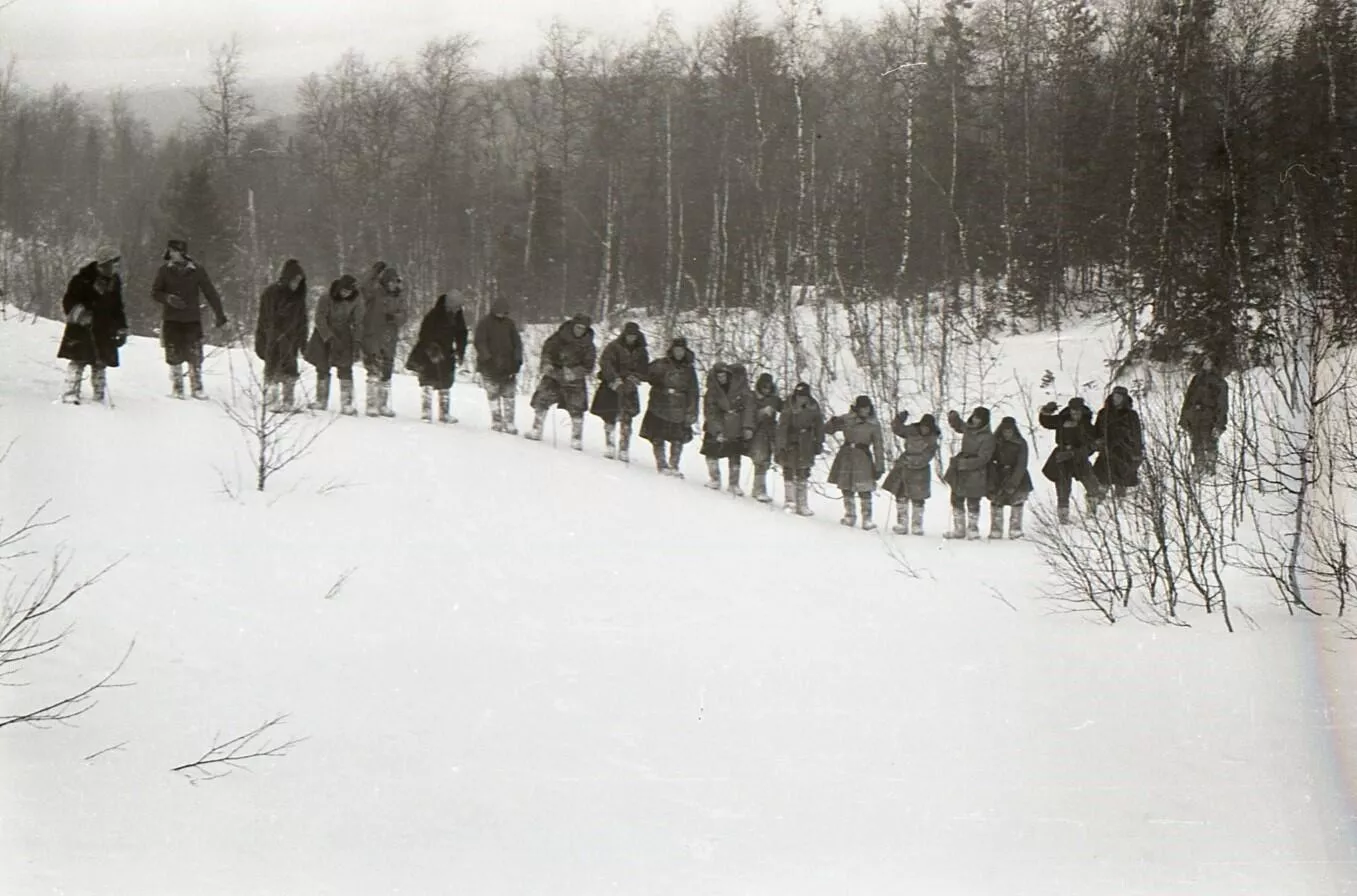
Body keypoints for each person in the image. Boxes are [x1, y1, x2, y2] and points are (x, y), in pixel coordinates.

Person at [150, 238, 227, 399]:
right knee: (174, 355)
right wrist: (168, 298)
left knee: (195, 355)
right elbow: (155, 293)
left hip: (192, 319)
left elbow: (210, 292)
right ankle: (177, 388)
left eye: (175, 251)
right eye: (170, 252)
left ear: (183, 253)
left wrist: (220, 315)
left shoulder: (196, 270)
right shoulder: (164, 270)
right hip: (171, 319)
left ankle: (197, 388)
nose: (172, 254)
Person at [58, 246, 127, 405]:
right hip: (82, 328)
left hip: (104, 328)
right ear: (103, 264)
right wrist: (81, 314)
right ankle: (70, 393)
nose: (115, 267)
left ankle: (99, 395)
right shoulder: (82, 279)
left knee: (100, 362)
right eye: (113, 263)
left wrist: (122, 327)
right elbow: (68, 301)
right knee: (78, 360)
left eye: (116, 264)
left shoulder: (114, 282)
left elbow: (118, 306)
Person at [526, 313, 597, 449]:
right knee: (541, 400)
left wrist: (575, 372)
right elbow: (547, 351)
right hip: (554, 375)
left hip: (574, 379)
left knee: (577, 408)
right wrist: (547, 364)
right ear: (572, 325)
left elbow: (589, 366)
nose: (580, 330)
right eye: (578, 327)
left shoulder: (589, 345)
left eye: (583, 328)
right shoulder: (558, 337)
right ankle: (536, 429)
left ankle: (576, 438)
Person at [253, 258, 309, 413]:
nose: (296, 284)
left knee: (290, 368)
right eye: (294, 280)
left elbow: (303, 319)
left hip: (292, 338)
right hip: (273, 337)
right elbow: (265, 317)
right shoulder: (271, 293)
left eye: (299, 281)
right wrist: (268, 336)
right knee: (272, 366)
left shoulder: (299, 297)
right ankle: (271, 400)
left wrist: (303, 341)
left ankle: (288, 400)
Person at [405, 293, 469, 424]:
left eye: (459, 307)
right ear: (449, 304)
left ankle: (444, 413)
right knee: (427, 380)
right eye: (456, 306)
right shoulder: (434, 314)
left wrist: (460, 351)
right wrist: (431, 348)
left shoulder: (458, 316)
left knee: (446, 382)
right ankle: (426, 412)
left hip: (447, 352)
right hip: (429, 351)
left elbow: (462, 334)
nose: (458, 309)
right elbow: (424, 333)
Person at [590, 321, 650, 462]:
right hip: (612, 385)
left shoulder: (641, 351)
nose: (631, 338)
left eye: (634, 336)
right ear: (624, 334)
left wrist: (634, 378)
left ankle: (624, 448)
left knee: (627, 418)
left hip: (629, 387)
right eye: (629, 335)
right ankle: (610, 445)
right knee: (609, 416)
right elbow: (606, 363)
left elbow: (644, 369)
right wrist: (614, 379)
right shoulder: (613, 347)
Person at [641, 336, 700, 476]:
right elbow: (645, 374)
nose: (679, 353)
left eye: (681, 350)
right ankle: (661, 464)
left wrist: (691, 412)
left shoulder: (689, 370)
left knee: (677, 438)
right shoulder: (661, 364)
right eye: (676, 350)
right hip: (660, 404)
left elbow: (693, 392)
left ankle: (674, 465)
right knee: (657, 436)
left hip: (679, 407)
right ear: (672, 350)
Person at [304, 274, 363, 415]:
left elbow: (358, 322)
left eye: (349, 292)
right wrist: (328, 337)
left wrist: (357, 341)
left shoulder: (356, 300)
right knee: (322, 367)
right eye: (344, 291)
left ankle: (347, 403)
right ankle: (321, 400)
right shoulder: (326, 297)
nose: (346, 294)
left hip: (345, 335)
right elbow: (319, 318)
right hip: (324, 335)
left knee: (345, 368)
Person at [1039, 397, 1104, 523]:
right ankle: (1063, 517)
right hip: (1061, 457)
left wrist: (1074, 453)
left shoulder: (1087, 425)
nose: (1075, 414)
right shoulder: (1061, 419)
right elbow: (1046, 422)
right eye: (1073, 411)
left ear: (1081, 411)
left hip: (1080, 459)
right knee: (1063, 489)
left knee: (1092, 485)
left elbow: (1091, 447)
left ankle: (1092, 513)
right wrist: (1046, 411)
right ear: (1069, 410)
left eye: (1077, 412)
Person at [825, 395, 885, 529]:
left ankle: (867, 519)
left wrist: (879, 466)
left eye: (868, 408)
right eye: (863, 408)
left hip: (863, 457)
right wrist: (832, 422)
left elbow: (878, 446)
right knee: (846, 487)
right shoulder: (847, 419)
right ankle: (849, 516)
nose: (866, 411)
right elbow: (828, 430)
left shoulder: (874, 424)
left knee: (865, 488)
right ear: (857, 408)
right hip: (846, 455)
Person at [359, 261, 407, 418]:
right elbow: (364, 287)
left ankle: (383, 404)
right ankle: (371, 404)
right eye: (391, 282)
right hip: (372, 336)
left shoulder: (399, 297)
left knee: (386, 372)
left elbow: (404, 315)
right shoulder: (375, 293)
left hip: (389, 339)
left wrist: (395, 317)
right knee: (373, 370)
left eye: (396, 282)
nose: (393, 285)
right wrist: (374, 271)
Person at [700, 362, 755, 495]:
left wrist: (748, 426)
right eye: (719, 376)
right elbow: (710, 411)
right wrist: (717, 429)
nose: (721, 378)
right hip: (717, 424)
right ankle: (714, 478)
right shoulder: (712, 391)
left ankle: (734, 483)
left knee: (735, 453)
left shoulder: (741, 390)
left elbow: (749, 408)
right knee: (711, 451)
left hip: (735, 424)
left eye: (724, 375)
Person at [942, 407, 996, 540]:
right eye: (975, 417)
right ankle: (959, 529)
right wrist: (953, 417)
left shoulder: (988, 437)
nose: (976, 420)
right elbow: (959, 426)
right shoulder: (969, 428)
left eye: (979, 418)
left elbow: (985, 457)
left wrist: (967, 464)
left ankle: (973, 529)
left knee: (973, 499)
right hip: (961, 469)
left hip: (976, 471)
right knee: (956, 498)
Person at [881, 411, 939, 535]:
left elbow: (926, 457)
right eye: (923, 427)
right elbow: (897, 429)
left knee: (918, 498)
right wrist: (899, 419)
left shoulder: (932, 441)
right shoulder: (911, 431)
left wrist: (911, 461)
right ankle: (902, 522)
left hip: (920, 471)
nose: (924, 429)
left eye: (927, 428)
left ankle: (917, 524)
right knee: (901, 494)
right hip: (904, 468)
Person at [473, 296, 525, 434]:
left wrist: (517, 360)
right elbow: (480, 342)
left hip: (508, 365)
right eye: (500, 310)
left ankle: (509, 422)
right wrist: (487, 358)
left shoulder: (510, 324)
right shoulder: (484, 323)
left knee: (509, 394)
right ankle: (496, 421)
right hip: (489, 365)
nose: (502, 313)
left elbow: (517, 344)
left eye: (504, 311)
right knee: (493, 394)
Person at [775, 382, 825, 516]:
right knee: (788, 469)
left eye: (803, 396)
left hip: (807, 441)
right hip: (791, 440)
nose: (800, 398)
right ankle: (789, 501)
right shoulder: (789, 405)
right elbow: (782, 425)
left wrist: (819, 442)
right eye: (798, 395)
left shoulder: (814, 407)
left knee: (803, 470)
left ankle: (802, 504)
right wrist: (780, 444)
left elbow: (819, 426)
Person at [1179, 357, 1229, 476]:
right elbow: (1188, 399)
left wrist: (1220, 424)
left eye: (1209, 362)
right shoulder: (1197, 379)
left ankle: (1210, 469)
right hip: (1195, 417)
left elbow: (1223, 405)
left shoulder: (1219, 382)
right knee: (1196, 444)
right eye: (1205, 362)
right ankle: (1199, 468)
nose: (1206, 364)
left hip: (1210, 418)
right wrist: (1184, 418)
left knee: (1210, 444)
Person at [1093, 386, 1144, 498]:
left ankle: (1121, 509)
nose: (1116, 399)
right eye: (1115, 396)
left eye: (1119, 397)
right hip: (1107, 452)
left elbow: (1137, 434)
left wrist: (1137, 452)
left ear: (1124, 398)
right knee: (1101, 482)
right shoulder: (1103, 413)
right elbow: (1096, 431)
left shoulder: (1131, 415)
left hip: (1124, 453)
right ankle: (1095, 509)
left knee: (1122, 483)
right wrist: (1097, 442)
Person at [988, 416, 1033, 539]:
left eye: (1009, 431)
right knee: (996, 501)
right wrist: (992, 477)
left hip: (1018, 475)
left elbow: (1022, 464)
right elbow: (990, 460)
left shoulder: (1021, 443)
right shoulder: (995, 442)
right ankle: (996, 530)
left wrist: (1013, 482)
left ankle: (1015, 529)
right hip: (998, 473)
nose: (1007, 434)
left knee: (1017, 501)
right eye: (1005, 431)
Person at [745, 373, 783, 503]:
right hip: (758, 431)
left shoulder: (774, 399)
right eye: (764, 387)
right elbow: (749, 413)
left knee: (766, 461)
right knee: (760, 459)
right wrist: (761, 413)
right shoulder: (753, 397)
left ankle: (759, 488)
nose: (766, 389)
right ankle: (758, 489)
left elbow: (783, 408)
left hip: (770, 432)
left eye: (768, 387)